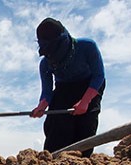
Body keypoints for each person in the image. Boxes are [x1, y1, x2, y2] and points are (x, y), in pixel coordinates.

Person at [30, 18, 105, 157]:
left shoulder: (87, 47)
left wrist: (85, 101)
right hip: (63, 88)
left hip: (89, 85)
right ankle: (53, 163)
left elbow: (99, 76)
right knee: (57, 126)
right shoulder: (45, 64)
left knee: (85, 126)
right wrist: (41, 106)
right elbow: (47, 91)